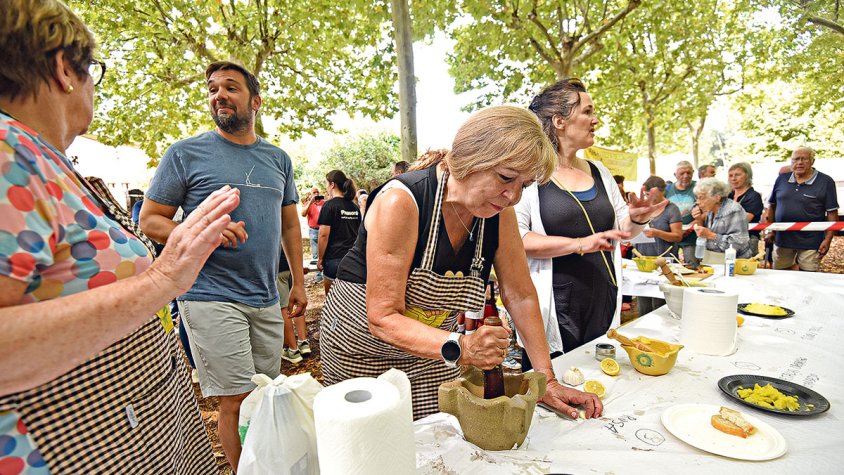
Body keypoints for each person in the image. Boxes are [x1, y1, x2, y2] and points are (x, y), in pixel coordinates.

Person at [0, 2, 238, 471]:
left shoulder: (44, 158)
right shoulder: (10, 151)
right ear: (64, 68)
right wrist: (163, 278)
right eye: (93, 72)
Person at [320, 105, 604, 421]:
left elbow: (520, 295)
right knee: (374, 440)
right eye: (506, 177)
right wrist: (464, 348)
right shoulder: (402, 201)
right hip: (363, 347)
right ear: (471, 157)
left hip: (434, 351)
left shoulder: (499, 214)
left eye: (523, 186)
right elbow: (383, 316)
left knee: (436, 436)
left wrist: (545, 378)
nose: (512, 197)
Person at [139, 60, 307, 471]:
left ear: (256, 102)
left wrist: (298, 284)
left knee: (265, 393)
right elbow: (150, 220)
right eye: (213, 89)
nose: (219, 95)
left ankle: (267, 465)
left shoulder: (278, 159)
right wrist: (204, 231)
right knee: (234, 398)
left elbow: (289, 224)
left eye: (231, 88)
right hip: (210, 295)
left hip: (267, 295)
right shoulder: (185, 153)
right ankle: (241, 469)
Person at [518, 78, 667, 358]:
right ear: (560, 121)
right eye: (587, 112)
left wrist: (637, 219)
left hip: (604, 294)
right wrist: (580, 244)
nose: (595, 120)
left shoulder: (599, 171)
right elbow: (519, 238)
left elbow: (622, 229)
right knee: (559, 383)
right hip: (557, 302)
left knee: (602, 381)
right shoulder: (531, 174)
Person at [766, 147, 839, 271]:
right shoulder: (781, 179)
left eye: (804, 159)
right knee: (779, 276)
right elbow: (772, 206)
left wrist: (828, 240)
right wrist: (770, 231)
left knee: (809, 278)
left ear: (812, 161)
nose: (799, 162)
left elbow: (832, 213)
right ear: (791, 162)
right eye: (796, 159)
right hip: (782, 240)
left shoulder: (825, 182)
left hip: (811, 242)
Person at [634, 176, 682, 315]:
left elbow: (677, 236)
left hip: (663, 262)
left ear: (660, 192)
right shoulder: (644, 208)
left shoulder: (672, 209)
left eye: (649, 194)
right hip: (643, 261)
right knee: (643, 303)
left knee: (660, 303)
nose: (647, 197)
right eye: (645, 194)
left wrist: (658, 233)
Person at [317, 169, 362, 294]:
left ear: (332, 184)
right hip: (353, 259)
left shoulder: (329, 206)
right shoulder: (354, 207)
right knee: (351, 299)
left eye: (327, 184)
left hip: (334, 260)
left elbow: (323, 234)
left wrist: (320, 258)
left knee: (332, 300)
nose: (326, 187)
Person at [693, 178, 752, 259]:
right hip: (715, 259)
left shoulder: (733, 210)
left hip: (735, 262)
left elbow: (738, 243)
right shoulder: (711, 210)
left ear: (717, 198)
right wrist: (698, 219)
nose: (698, 202)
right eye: (697, 198)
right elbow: (703, 236)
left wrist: (711, 235)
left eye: (702, 198)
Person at [278, 247, 310, 364]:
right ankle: (303, 342)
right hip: (292, 268)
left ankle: (293, 350)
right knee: (297, 303)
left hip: (277, 269)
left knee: (284, 308)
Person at [666, 161, 699, 266]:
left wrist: (690, 226)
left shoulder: (699, 187)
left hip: (691, 238)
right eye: (682, 173)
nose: (686, 176)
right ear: (675, 175)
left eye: (689, 173)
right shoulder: (667, 189)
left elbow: (707, 212)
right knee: (670, 266)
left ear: (693, 173)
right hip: (671, 237)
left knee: (692, 267)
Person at [727, 162, 764, 255]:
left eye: (737, 175)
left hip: (747, 240)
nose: (733, 178)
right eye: (730, 175)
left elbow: (743, 220)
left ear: (747, 176)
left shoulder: (753, 196)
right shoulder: (728, 196)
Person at [301, 186, 325, 283]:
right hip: (313, 230)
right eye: (314, 192)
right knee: (316, 255)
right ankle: (319, 277)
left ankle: (326, 275)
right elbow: (303, 214)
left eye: (317, 192)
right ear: (310, 194)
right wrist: (310, 202)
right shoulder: (308, 204)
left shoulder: (324, 203)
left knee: (325, 253)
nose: (316, 194)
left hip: (323, 230)